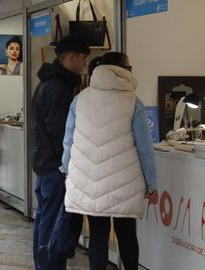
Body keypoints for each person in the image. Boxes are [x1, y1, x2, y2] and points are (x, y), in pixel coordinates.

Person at [61, 52, 158, 270]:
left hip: (90, 180)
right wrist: (152, 183)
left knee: (98, 235)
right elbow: (144, 147)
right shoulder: (133, 101)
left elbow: (69, 140)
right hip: (125, 180)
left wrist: (67, 170)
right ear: (123, 71)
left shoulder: (80, 99)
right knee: (127, 234)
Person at [31, 35, 90, 270]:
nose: (84, 65)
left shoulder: (48, 83)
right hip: (55, 166)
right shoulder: (59, 88)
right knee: (54, 223)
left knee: (45, 219)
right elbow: (60, 133)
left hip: (44, 163)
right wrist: (66, 165)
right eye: (83, 59)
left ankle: (43, 264)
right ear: (72, 57)